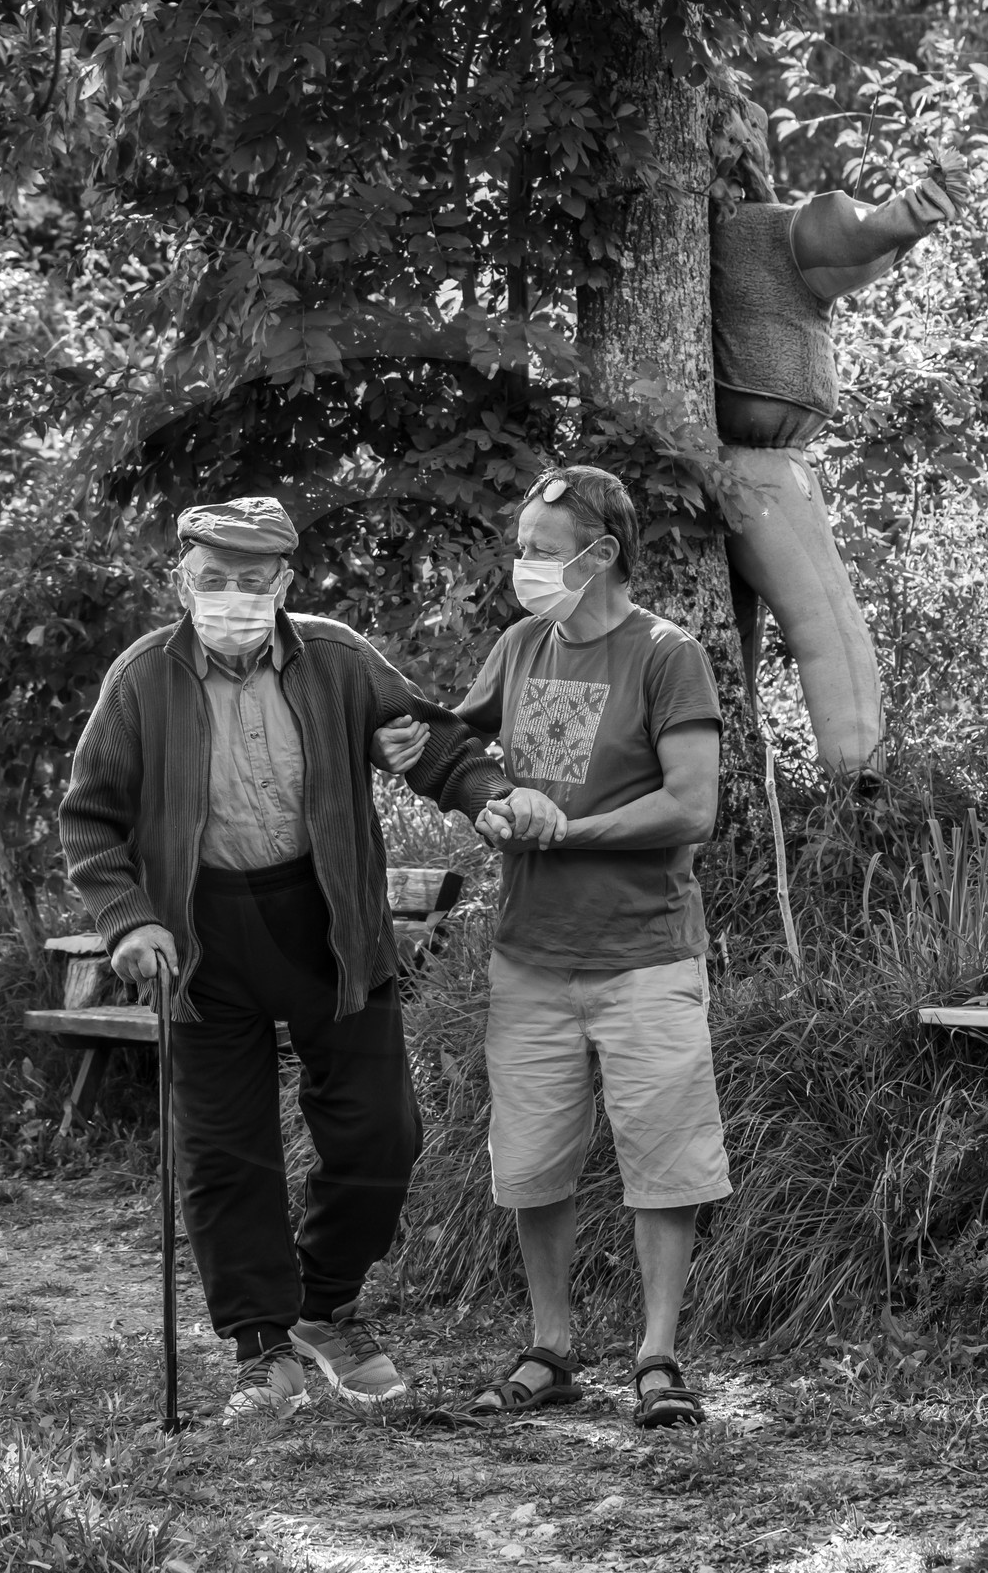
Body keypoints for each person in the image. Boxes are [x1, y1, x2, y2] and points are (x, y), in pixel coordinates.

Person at [59, 495, 516, 1422]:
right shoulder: (143, 678)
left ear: (285, 583)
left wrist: (483, 794)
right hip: (198, 934)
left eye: (251, 581)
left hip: (328, 916)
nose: (231, 595)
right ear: (181, 581)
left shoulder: (337, 658)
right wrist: (129, 919)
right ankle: (260, 1345)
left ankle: (324, 1302)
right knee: (226, 1151)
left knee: (380, 1132)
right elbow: (90, 819)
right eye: (212, 580)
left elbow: (429, 742)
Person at [376, 465, 730, 1428]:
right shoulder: (523, 644)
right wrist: (426, 754)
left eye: (539, 548)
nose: (524, 564)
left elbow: (692, 808)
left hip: (646, 954)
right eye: (523, 545)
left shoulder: (667, 654)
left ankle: (659, 1355)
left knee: (663, 1157)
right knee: (532, 1160)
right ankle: (553, 1345)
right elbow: (458, 737)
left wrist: (567, 831)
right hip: (529, 954)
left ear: (600, 554)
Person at [709, 101, 970, 774]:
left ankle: (733, 774)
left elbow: (852, 241)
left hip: (728, 462)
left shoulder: (730, 237)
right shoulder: (762, 233)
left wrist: (918, 208)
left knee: (737, 631)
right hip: (756, 464)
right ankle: (861, 783)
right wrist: (923, 202)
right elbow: (852, 234)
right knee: (826, 618)